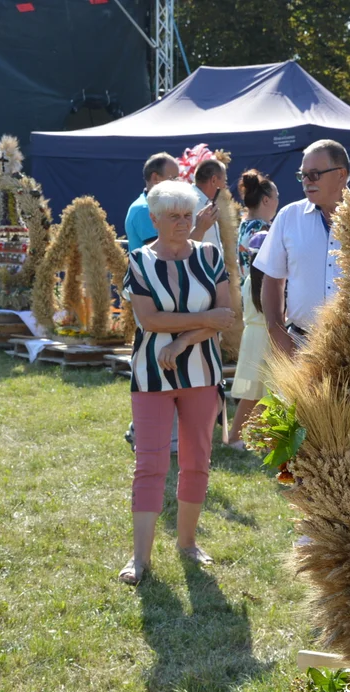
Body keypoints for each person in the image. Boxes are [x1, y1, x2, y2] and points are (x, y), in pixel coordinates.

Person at [118, 180, 236, 585]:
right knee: (149, 463)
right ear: (153, 219)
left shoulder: (210, 255)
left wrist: (185, 338)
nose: (183, 223)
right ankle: (140, 558)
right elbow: (150, 320)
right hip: (152, 374)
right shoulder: (138, 260)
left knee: (197, 460)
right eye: (173, 217)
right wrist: (204, 322)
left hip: (203, 372)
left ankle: (187, 543)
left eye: (188, 215)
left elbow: (227, 314)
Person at [253, 139, 350, 358]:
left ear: (341, 174)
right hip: (300, 346)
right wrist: (277, 334)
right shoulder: (289, 216)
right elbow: (272, 280)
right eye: (302, 175)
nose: (306, 181)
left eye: (314, 174)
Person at [227, 229, 272, 449]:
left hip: (252, 337)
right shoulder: (270, 279)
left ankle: (242, 436)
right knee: (263, 393)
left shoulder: (249, 280)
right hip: (266, 337)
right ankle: (241, 436)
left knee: (253, 394)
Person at [124, 152, 178, 253]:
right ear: (155, 178)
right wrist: (200, 229)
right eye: (173, 179)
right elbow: (165, 253)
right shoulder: (144, 209)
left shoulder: (153, 206)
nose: (178, 183)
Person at [235, 169, 279, 276]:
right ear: (266, 200)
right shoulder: (262, 230)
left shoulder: (243, 224)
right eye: (276, 196)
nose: (278, 201)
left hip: (244, 290)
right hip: (258, 290)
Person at [191, 158, 227, 252]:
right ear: (214, 180)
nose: (224, 186)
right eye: (224, 181)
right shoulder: (189, 202)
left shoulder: (205, 201)